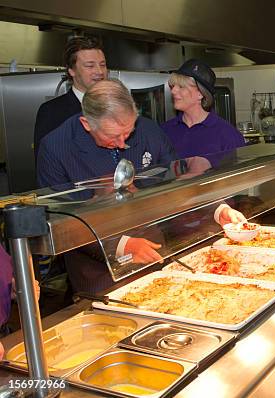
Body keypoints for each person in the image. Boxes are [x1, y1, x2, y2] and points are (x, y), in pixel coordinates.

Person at [37, 79, 177, 293]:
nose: (122, 144)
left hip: (155, 256)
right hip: (99, 275)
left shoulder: (150, 131)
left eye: (128, 133)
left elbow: (175, 183)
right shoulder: (56, 147)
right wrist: (121, 246)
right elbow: (61, 221)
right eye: (112, 136)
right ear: (86, 123)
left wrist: (217, 209)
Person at [34, 36, 107, 159]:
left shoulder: (116, 105)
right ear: (71, 70)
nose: (99, 71)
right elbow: (45, 161)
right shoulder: (51, 111)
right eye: (90, 66)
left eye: (103, 65)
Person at [161, 59, 245, 159]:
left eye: (181, 86)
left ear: (200, 93)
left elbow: (238, 173)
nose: (174, 91)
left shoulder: (227, 135)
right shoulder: (164, 130)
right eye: (173, 86)